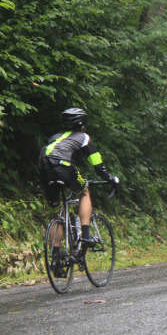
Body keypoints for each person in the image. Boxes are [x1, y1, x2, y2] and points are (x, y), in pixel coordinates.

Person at [38, 108, 119, 261]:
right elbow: (98, 165)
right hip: (64, 167)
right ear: (83, 125)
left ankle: (55, 257)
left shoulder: (54, 137)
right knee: (84, 192)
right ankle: (86, 236)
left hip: (44, 168)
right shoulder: (84, 137)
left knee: (57, 211)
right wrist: (110, 179)